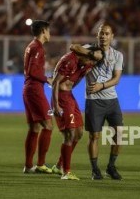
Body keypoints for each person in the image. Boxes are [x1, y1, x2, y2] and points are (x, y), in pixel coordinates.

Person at [69, 22, 124, 180]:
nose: (103, 36)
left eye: (107, 33)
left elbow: (117, 79)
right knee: (94, 136)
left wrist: (102, 85)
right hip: (93, 100)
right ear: (97, 35)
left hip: (112, 99)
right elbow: (73, 46)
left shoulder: (118, 55)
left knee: (118, 134)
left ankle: (111, 167)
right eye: (101, 33)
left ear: (112, 36)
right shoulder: (90, 49)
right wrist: (91, 54)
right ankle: (95, 169)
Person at [51, 46, 104, 180]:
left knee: (79, 132)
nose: (93, 64)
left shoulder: (85, 66)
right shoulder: (70, 60)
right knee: (70, 134)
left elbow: (74, 82)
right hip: (62, 97)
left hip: (69, 96)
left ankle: (59, 165)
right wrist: (56, 105)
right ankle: (66, 172)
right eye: (92, 61)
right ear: (87, 55)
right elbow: (56, 82)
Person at [22, 20, 54, 174]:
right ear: (43, 31)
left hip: (29, 89)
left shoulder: (31, 46)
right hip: (34, 90)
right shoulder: (37, 48)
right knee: (48, 125)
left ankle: (28, 165)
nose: (50, 33)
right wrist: (47, 79)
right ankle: (40, 164)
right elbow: (32, 71)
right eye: (48, 30)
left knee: (34, 127)